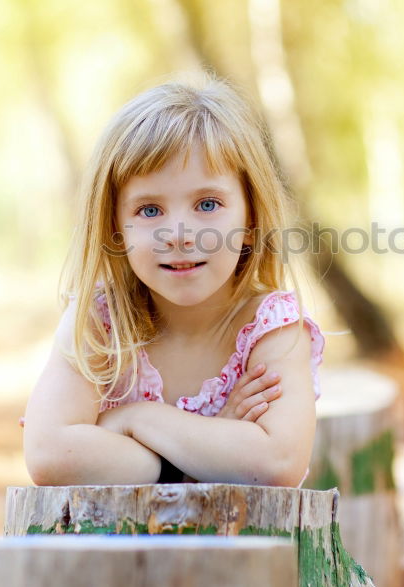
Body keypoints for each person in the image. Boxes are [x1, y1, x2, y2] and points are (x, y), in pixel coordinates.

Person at [22, 76, 325, 487]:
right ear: (116, 227)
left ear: (251, 218)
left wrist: (136, 420)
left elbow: (276, 463)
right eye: (149, 210)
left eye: (207, 204)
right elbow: (49, 455)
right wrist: (203, 453)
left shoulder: (272, 328)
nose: (179, 234)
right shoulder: (100, 322)